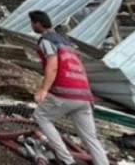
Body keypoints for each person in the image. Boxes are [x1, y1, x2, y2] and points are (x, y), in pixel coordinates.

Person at [29, 10, 109, 165]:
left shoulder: (46, 40)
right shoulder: (66, 43)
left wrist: (43, 89)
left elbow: (52, 66)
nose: (31, 26)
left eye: (32, 23)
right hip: (84, 95)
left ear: (37, 23)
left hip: (65, 92)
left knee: (41, 117)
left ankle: (67, 161)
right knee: (90, 138)